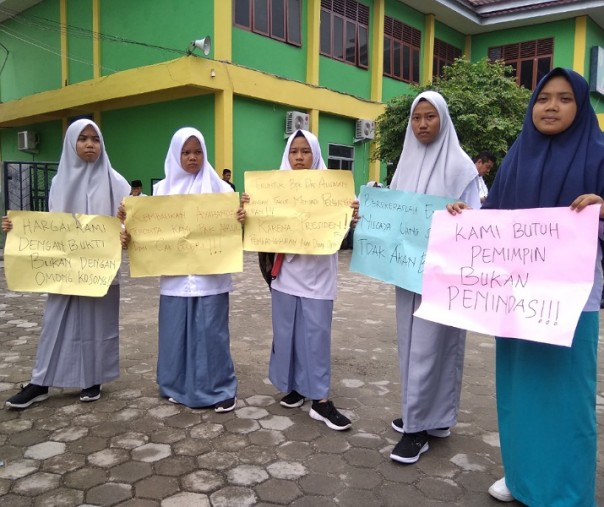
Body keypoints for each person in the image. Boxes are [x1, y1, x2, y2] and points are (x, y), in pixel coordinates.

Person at [448, 68, 604, 506]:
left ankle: (567, 494)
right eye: (543, 98)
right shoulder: (518, 154)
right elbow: (496, 217)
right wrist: (467, 216)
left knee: (565, 397)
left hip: (572, 300)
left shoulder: (598, 152)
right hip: (515, 296)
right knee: (518, 390)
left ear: (581, 106)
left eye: (564, 98)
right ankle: (523, 477)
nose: (551, 106)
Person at [2, 119, 131, 408]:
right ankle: (41, 381)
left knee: (99, 322)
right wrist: (17, 228)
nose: (89, 144)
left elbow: (129, 224)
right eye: (82, 138)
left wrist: (125, 235)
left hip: (100, 271)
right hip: (64, 269)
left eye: (95, 139)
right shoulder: (58, 182)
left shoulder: (117, 181)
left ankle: (92, 379)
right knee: (56, 322)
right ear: (71, 143)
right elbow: (48, 225)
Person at [388, 91, 480, 463]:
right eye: (416, 117)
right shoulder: (404, 164)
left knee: (433, 347)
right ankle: (426, 415)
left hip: (443, 275)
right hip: (406, 272)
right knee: (410, 344)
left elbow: (476, 223)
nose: (422, 124)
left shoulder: (461, 167)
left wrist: (462, 213)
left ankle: (417, 431)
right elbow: (390, 213)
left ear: (443, 119)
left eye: (430, 117)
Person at [254, 129, 352, 431]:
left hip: (318, 279)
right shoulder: (273, 188)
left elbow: (346, 233)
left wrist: (353, 216)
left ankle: (320, 400)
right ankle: (295, 386)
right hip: (285, 276)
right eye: (294, 151)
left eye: (305, 151)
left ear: (315, 154)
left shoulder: (335, 189)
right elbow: (260, 227)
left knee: (316, 337)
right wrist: (250, 211)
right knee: (287, 335)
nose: (299, 157)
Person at [146, 127, 244, 411]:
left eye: (198, 152)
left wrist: (240, 217)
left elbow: (233, 228)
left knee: (211, 333)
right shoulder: (161, 191)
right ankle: (174, 385)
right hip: (175, 278)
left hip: (210, 276)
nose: (192, 158)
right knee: (175, 333)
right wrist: (129, 228)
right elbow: (150, 233)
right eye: (186, 153)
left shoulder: (222, 190)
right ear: (176, 155)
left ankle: (220, 389)